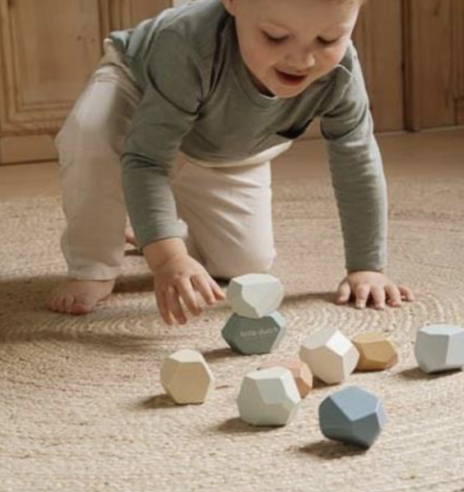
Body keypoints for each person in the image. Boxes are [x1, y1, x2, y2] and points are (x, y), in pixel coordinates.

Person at [46, 0, 415, 325]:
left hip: (223, 146)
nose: (302, 59)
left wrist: (366, 266)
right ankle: (92, 265)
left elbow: (358, 160)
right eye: (274, 36)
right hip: (137, 98)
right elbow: (146, 157)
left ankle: (158, 226)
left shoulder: (341, 74)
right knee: (91, 131)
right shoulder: (188, 42)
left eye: (328, 40)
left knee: (244, 265)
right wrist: (167, 259)